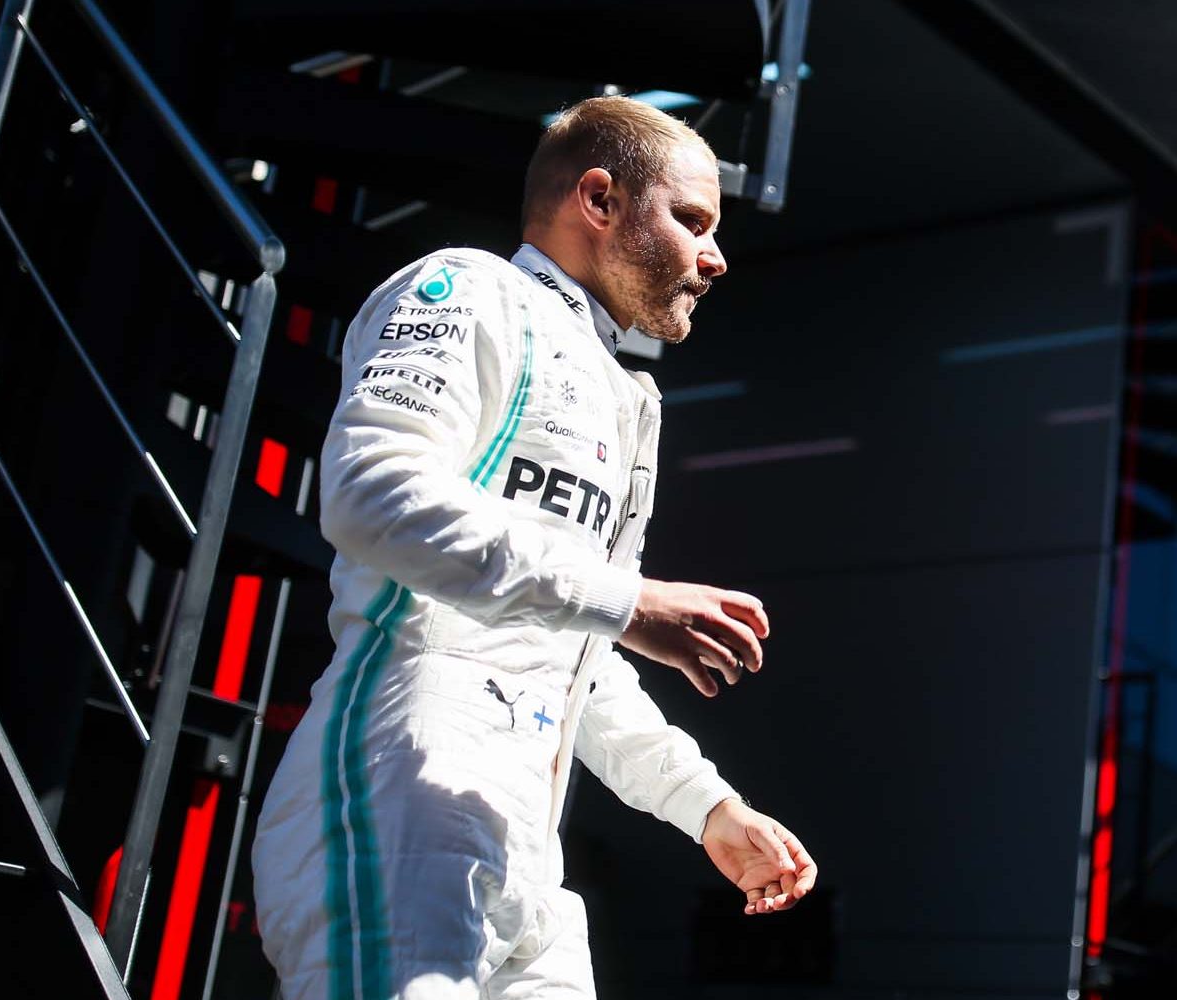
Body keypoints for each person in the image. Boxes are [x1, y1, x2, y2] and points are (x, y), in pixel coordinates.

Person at [251, 96, 816, 1000]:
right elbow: (369, 494)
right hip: (401, 781)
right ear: (599, 199)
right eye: (693, 220)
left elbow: (575, 652)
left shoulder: (630, 399)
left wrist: (705, 807)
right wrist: (631, 602)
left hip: (527, 837)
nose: (714, 257)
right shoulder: (468, 289)